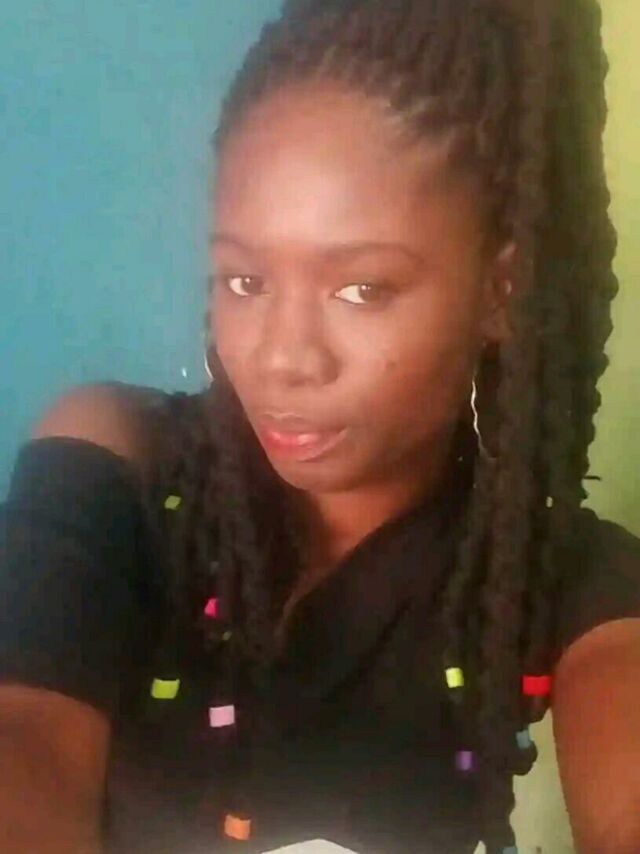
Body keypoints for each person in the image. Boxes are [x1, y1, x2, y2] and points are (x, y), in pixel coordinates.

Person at [1, 0, 640, 852]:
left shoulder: (551, 577)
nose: (281, 358)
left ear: (501, 293)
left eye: (362, 289)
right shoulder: (121, 458)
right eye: (246, 281)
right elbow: (28, 738)